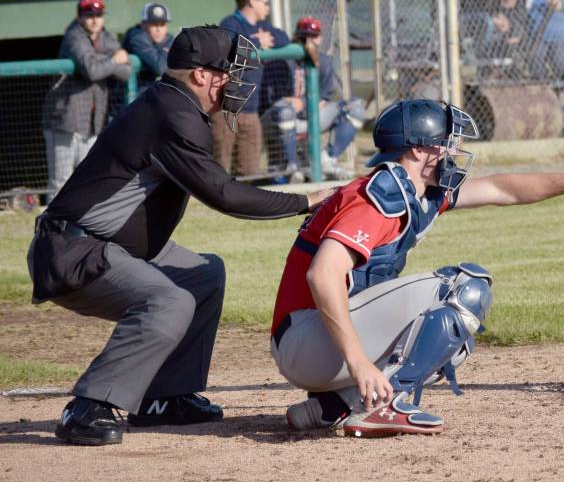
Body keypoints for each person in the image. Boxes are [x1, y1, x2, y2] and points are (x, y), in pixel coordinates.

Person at [27, 26, 334, 446]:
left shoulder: (172, 104)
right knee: (168, 301)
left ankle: (164, 397)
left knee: (205, 274)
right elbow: (224, 195)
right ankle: (87, 407)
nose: (234, 81)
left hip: (103, 244)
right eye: (227, 71)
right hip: (73, 250)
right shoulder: (174, 114)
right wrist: (305, 201)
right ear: (201, 75)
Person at [271, 98, 564, 436]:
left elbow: (500, 189)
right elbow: (322, 274)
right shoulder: (381, 197)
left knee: (451, 338)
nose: (453, 151)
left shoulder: (415, 191)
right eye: (444, 143)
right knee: (462, 290)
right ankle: (379, 405)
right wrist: (359, 364)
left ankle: (334, 405)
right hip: (306, 341)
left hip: (318, 343)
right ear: (417, 149)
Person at [42, 0, 132, 195]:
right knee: (60, 183)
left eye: (99, 15)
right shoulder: (74, 36)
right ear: (80, 16)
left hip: (92, 123)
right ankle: (55, 227)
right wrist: (112, 61)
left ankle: (77, 227)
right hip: (64, 121)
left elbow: (127, 71)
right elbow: (92, 70)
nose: (95, 19)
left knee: (86, 180)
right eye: (89, 15)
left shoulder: (105, 36)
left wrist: (105, 62)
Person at [261, 17, 367, 181]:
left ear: (320, 38)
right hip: (279, 120)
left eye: (314, 36)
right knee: (285, 111)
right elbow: (274, 101)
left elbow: (324, 97)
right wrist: (296, 104)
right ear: (296, 37)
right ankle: (292, 166)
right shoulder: (282, 60)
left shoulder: (324, 62)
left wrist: (302, 102)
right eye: (304, 37)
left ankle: (327, 159)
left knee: (356, 107)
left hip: (312, 116)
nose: (309, 42)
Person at [216, 0, 278, 176]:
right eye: (265, 3)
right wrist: (258, 40)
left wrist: (258, 38)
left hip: (251, 110)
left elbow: (283, 38)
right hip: (225, 109)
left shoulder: (263, 25)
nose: (268, 8)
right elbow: (232, 43)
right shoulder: (230, 23)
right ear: (252, 1)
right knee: (218, 165)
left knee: (249, 169)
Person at [123, 2, 173, 86]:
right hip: (128, 94)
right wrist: (166, 52)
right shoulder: (136, 37)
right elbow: (160, 68)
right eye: (154, 24)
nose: (158, 29)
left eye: (162, 24)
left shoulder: (168, 39)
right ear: (143, 25)